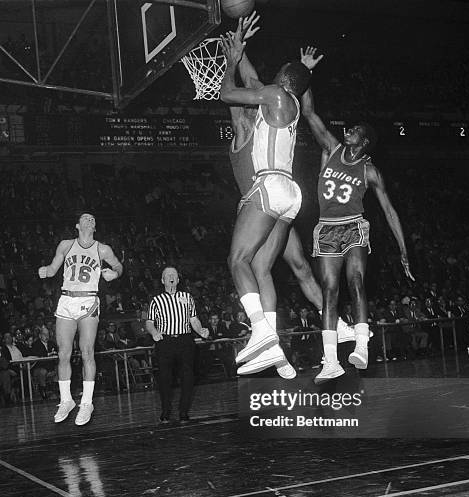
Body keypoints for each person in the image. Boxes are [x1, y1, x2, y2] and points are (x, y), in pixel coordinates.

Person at [220, 20, 353, 379]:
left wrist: (231, 59)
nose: (272, 74)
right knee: (266, 268)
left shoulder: (265, 105)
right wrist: (240, 46)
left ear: (282, 80)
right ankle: (276, 347)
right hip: (289, 196)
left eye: (280, 72)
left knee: (238, 260)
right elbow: (256, 83)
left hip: (268, 190)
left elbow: (229, 93)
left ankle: (263, 333)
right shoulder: (286, 99)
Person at [298, 47, 415, 383]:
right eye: (349, 130)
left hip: (353, 227)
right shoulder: (331, 149)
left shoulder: (371, 171)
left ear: (364, 143)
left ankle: (361, 345)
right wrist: (306, 73)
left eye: (355, 132)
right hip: (326, 229)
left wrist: (404, 252)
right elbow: (308, 112)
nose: (348, 131)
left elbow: (390, 213)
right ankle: (331, 361)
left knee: (356, 281)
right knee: (330, 291)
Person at [38, 212, 123, 426]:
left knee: (87, 351)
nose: (90, 220)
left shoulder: (102, 249)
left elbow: (119, 266)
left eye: (93, 219)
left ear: (95, 228)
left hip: (88, 301)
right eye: (86, 218)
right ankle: (66, 400)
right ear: (77, 225)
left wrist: (115, 273)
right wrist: (46, 271)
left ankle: (86, 402)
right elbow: (53, 268)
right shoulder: (66, 245)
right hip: (67, 299)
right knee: (64, 352)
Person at [145, 267, 209, 424]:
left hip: (185, 341)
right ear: (162, 280)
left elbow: (193, 319)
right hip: (165, 342)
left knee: (188, 377)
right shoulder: (156, 300)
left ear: (178, 280)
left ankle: (183, 412)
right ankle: (166, 411)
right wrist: (154, 332)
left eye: (174, 275)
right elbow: (149, 322)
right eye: (168, 275)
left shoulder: (187, 297)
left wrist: (200, 330)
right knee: (165, 378)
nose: (171, 277)